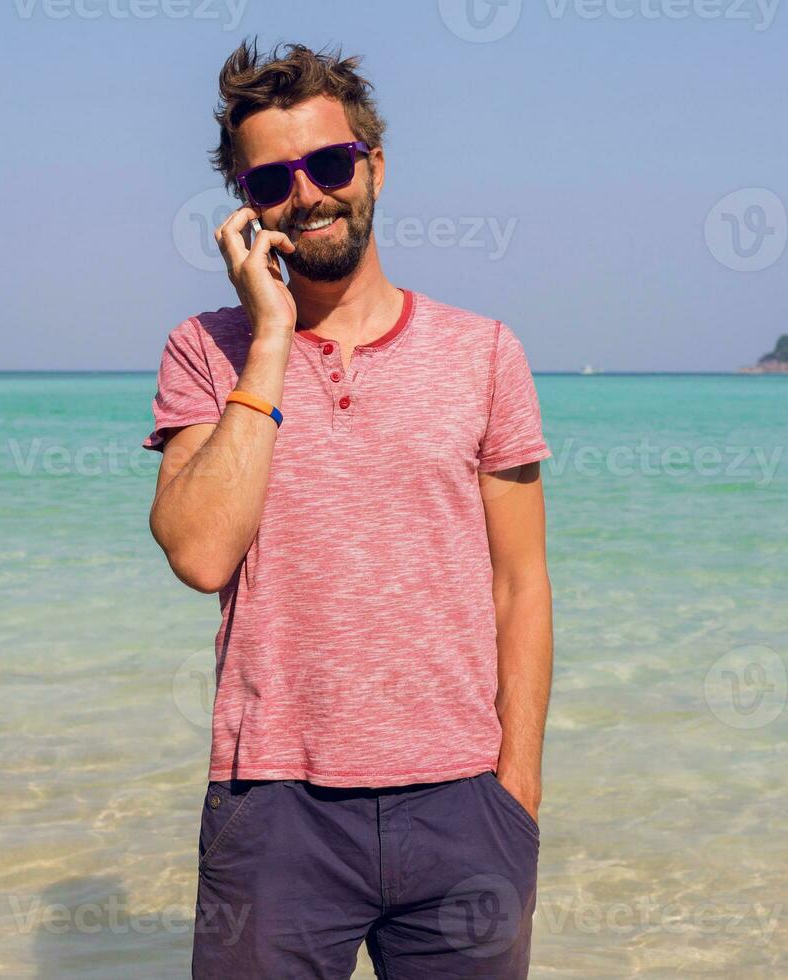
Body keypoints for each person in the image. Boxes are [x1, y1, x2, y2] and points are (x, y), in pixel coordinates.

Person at [143, 39, 554, 979]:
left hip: (463, 806)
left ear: (373, 165)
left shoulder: (486, 354)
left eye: (328, 164)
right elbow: (202, 553)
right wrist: (272, 337)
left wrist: (516, 785)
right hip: (274, 808)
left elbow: (520, 583)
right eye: (272, 181)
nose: (308, 195)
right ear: (245, 205)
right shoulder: (206, 352)